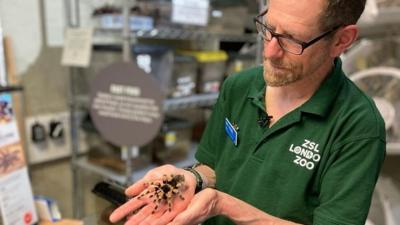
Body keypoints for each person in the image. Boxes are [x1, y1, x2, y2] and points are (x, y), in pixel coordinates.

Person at [109, 0, 386, 224]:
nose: (269, 51)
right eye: (269, 27)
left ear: (341, 40)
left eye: (291, 40)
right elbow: (215, 167)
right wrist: (192, 178)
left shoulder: (358, 126)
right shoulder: (238, 87)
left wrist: (224, 205)